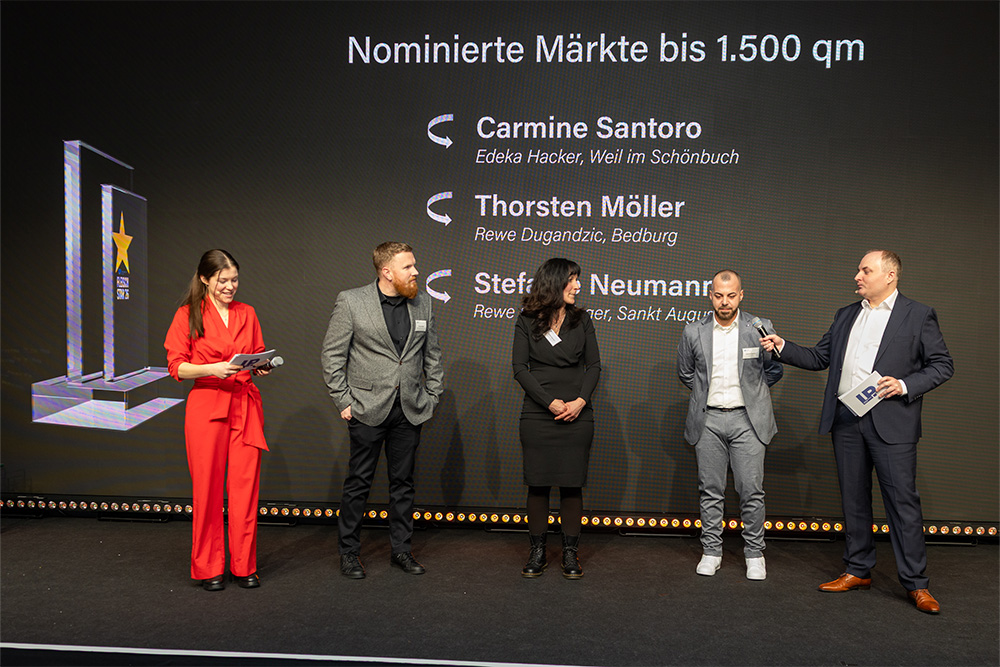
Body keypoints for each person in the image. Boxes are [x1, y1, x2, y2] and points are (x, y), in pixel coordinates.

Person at [760, 250, 953, 614]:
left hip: (893, 423)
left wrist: (905, 385)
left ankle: (917, 584)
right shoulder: (846, 314)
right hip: (847, 421)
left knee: (902, 504)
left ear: (890, 275)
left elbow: (942, 365)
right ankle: (858, 569)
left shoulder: (918, 314)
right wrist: (782, 346)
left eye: (866, 270)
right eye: (859, 270)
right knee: (853, 500)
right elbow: (820, 358)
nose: (857, 276)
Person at [322, 242, 443, 579]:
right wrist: (344, 401)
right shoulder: (352, 301)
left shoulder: (423, 302)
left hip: (410, 409)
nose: (416, 271)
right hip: (366, 408)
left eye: (414, 265)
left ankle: (401, 550)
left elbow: (432, 354)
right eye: (408, 267)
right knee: (359, 483)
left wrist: (432, 395)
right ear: (387, 272)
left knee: (403, 483)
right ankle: (349, 553)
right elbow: (332, 355)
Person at [164, 249, 270, 592]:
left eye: (234, 280)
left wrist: (261, 365)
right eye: (223, 280)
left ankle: (244, 565)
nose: (230, 286)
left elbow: (256, 353)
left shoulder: (247, 312)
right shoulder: (187, 314)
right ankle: (209, 566)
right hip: (207, 406)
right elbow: (176, 367)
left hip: (244, 406)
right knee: (207, 490)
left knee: (245, 490)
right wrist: (212, 368)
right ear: (205, 279)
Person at [677, 270, 782, 580]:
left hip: (748, 421)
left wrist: (752, 395)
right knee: (710, 490)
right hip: (708, 420)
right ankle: (711, 552)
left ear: (741, 295)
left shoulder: (759, 328)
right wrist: (706, 395)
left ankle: (754, 554)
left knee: (751, 490)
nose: (725, 302)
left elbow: (774, 370)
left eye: (731, 295)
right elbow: (686, 373)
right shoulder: (693, 331)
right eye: (719, 296)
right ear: (711, 296)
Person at [513, 258, 602, 579]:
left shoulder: (582, 319)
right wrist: (549, 403)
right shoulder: (526, 320)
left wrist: (580, 401)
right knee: (537, 485)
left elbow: (594, 366)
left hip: (577, 415)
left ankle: (569, 553)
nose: (578, 286)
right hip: (538, 415)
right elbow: (519, 368)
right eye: (572, 280)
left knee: (571, 485)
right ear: (554, 283)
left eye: (577, 279)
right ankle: (537, 551)